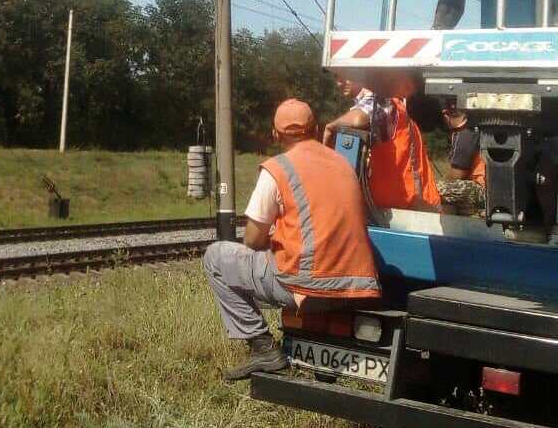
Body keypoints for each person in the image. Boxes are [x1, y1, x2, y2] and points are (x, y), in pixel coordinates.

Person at [203, 98, 381, 381]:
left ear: (276, 135)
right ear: (317, 128)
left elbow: (252, 239)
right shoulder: (344, 164)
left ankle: (263, 348)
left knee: (215, 257)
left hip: (309, 287)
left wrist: (277, 240)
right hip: (357, 288)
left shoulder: (278, 168)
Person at [323, 79, 442, 212]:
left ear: (360, 74)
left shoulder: (382, 99)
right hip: (407, 205)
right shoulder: (392, 103)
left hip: (410, 207)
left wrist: (330, 128)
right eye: (336, 77)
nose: (339, 83)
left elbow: (358, 119)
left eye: (344, 77)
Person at [407, 97, 486, 215]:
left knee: (433, 190)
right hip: (479, 188)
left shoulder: (466, 134)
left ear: (445, 114)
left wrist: (439, 183)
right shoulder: (471, 129)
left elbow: (457, 174)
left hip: (480, 188)